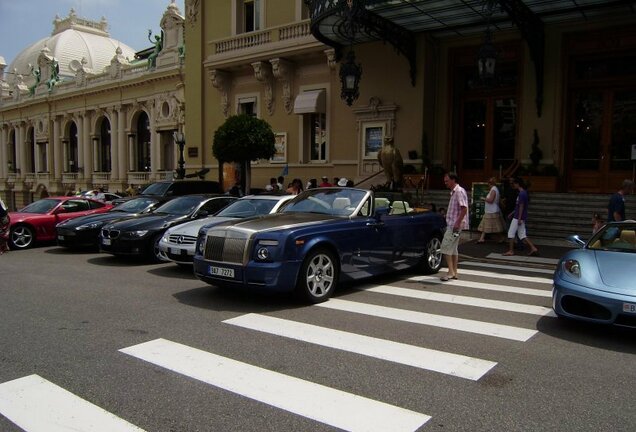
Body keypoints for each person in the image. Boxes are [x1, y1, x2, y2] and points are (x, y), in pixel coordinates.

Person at [439, 172, 468, 282]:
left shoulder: (458, 191)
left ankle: (450, 272)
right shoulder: (455, 192)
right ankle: (454, 271)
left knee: (446, 248)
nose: (445, 183)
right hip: (455, 224)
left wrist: (457, 222)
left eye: (447, 181)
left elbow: (464, 208)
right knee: (453, 249)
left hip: (454, 226)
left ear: (453, 180)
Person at [503, 177, 539, 256]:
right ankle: (533, 248)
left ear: (518, 184)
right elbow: (519, 206)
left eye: (514, 184)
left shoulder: (521, 194)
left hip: (518, 217)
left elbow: (521, 207)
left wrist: (518, 218)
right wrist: (512, 214)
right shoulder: (524, 193)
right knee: (522, 234)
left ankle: (511, 250)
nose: (514, 185)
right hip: (520, 217)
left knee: (511, 233)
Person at [477, 177, 505, 243]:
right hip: (490, 210)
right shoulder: (495, 189)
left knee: (495, 226)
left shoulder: (493, 190)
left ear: (490, 183)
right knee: (486, 224)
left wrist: (483, 198)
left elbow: (491, 200)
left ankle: (501, 237)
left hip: (492, 211)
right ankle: (482, 238)